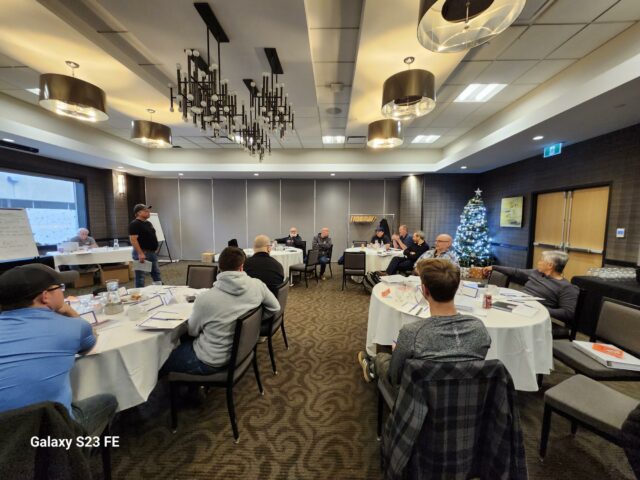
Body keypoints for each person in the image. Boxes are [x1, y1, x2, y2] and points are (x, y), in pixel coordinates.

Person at [0, 264, 117, 436]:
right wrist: (68, 310)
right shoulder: (72, 327)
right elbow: (91, 341)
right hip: (52, 431)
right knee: (108, 400)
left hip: (5, 437)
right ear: (45, 296)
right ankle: (82, 448)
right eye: (60, 288)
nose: (63, 292)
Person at [358, 259, 491, 385]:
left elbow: (395, 376)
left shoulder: (411, 333)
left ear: (424, 290)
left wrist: (398, 350)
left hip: (418, 396)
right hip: (467, 394)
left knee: (381, 357)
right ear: (456, 288)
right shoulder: (479, 328)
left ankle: (371, 367)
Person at [160, 247, 280, 375]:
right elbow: (275, 307)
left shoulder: (205, 299)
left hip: (211, 360)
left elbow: (192, 331)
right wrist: (253, 323)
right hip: (242, 352)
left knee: (161, 361)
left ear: (219, 267)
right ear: (241, 267)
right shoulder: (258, 285)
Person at [483, 250, 579, 324]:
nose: (538, 262)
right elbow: (516, 272)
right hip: (517, 305)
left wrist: (539, 309)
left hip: (533, 315)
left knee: (499, 319)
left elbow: (568, 313)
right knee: (490, 310)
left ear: (550, 265)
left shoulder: (566, 287)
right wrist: (494, 267)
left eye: (541, 260)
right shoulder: (537, 273)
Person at [128, 203, 162, 288]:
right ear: (138, 213)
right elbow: (133, 240)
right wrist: (140, 253)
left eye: (148, 210)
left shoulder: (148, 223)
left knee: (156, 274)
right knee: (140, 277)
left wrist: (155, 247)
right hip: (142, 253)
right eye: (145, 211)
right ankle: (139, 294)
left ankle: (160, 290)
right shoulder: (134, 224)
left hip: (151, 253)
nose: (148, 212)